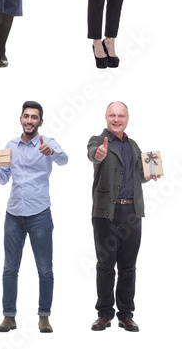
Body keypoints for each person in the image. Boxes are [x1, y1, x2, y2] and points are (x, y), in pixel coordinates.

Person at [0, 102, 68, 334]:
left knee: (45, 270)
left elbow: (64, 160)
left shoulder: (47, 143)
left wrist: (51, 152)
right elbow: (4, 178)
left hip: (39, 213)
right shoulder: (10, 145)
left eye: (34, 117)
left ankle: (44, 317)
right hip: (13, 214)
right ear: (20, 119)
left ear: (41, 122)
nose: (29, 121)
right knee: (9, 269)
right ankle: (9, 317)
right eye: (26, 116)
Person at [87, 101, 159, 332]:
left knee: (128, 267)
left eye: (121, 116)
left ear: (127, 118)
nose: (116, 119)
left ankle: (126, 314)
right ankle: (104, 314)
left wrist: (150, 174)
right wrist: (99, 154)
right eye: (112, 115)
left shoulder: (133, 145)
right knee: (105, 265)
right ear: (105, 117)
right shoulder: (98, 141)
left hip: (132, 213)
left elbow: (139, 176)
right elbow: (93, 155)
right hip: (105, 213)